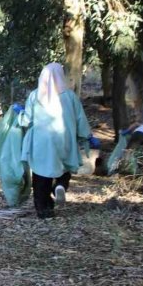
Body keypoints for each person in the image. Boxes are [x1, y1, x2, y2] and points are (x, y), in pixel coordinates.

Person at [14, 63, 99, 219]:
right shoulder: (70, 96)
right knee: (64, 167)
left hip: (41, 142)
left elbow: (26, 120)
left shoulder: (35, 95)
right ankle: (60, 185)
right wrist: (88, 136)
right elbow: (80, 119)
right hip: (64, 139)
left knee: (41, 176)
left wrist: (19, 113)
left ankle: (44, 210)